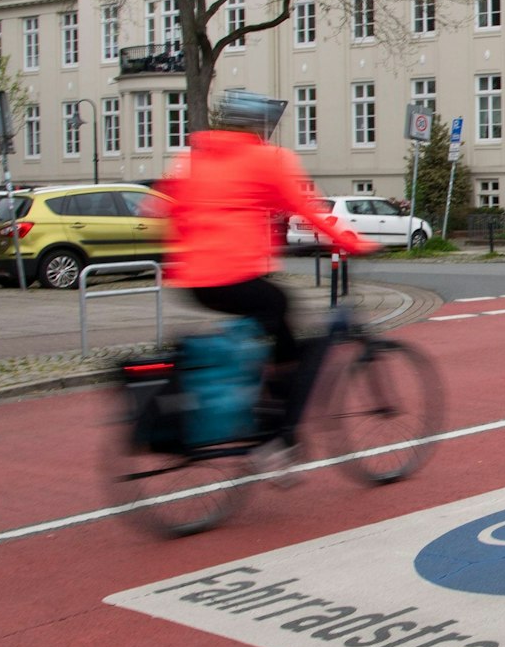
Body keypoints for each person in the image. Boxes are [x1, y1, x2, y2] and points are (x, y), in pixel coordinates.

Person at [157, 90, 375, 471]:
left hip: (193, 280)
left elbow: (162, 208)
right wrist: (351, 242)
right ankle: (277, 435)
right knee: (283, 314)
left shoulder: (194, 158)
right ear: (260, 127)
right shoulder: (267, 159)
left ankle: (252, 402)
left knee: (263, 325)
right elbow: (307, 208)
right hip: (235, 273)